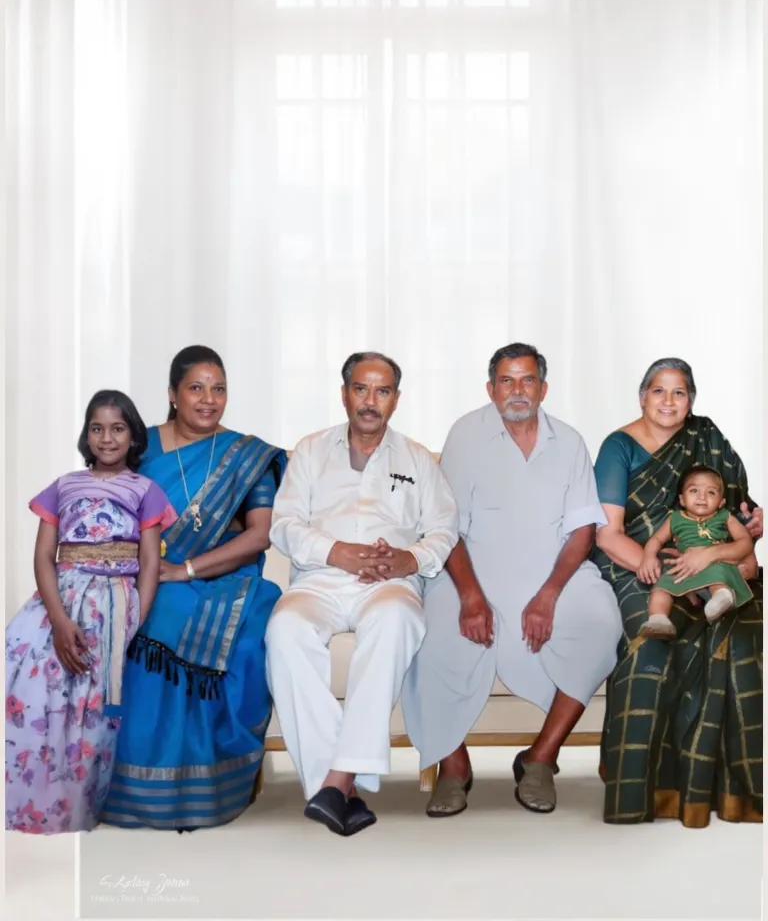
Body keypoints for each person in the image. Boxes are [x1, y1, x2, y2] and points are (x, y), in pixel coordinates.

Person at [402, 343, 622, 817]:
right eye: (507, 380)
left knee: (601, 621)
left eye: (527, 380)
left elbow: (583, 528)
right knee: (429, 630)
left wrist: (548, 594)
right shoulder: (466, 433)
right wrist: (471, 596)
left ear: (543, 388)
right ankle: (453, 765)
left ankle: (541, 759)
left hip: (550, 569)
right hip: (470, 568)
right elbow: (446, 527)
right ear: (490, 388)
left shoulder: (569, 440)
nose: (517, 391)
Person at [265, 352, 459, 837]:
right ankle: (340, 788)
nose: (370, 401)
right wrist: (336, 552)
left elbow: (444, 530)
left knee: (396, 620)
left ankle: (334, 781)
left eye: (382, 391)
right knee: (284, 629)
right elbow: (284, 525)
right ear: (344, 392)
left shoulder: (416, 458)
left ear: (396, 399)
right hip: (320, 579)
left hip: (390, 584)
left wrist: (408, 559)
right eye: (361, 389)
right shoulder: (310, 451)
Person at [102, 346, 287, 831]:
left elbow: (259, 535)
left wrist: (187, 569)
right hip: (146, 573)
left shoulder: (247, 455)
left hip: (226, 577)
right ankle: (131, 788)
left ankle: (204, 788)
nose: (209, 399)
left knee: (243, 638)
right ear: (172, 394)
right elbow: (108, 512)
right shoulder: (139, 449)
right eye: (196, 388)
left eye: (219, 388)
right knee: (148, 614)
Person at [592, 357, 763, 827]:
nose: (669, 401)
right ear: (642, 395)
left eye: (680, 392)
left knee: (743, 634)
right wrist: (658, 567)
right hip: (637, 568)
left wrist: (749, 528)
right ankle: (640, 788)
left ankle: (726, 791)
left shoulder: (707, 439)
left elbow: (737, 516)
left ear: (691, 399)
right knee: (653, 647)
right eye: (659, 391)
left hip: (710, 567)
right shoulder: (618, 447)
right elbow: (608, 534)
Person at [6, 391, 174, 834]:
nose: (107, 437)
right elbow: (44, 557)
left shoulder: (146, 490)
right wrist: (60, 622)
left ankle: (76, 804)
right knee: (36, 688)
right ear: (86, 434)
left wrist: (134, 616)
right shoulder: (64, 485)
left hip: (112, 606)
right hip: (58, 600)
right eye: (97, 428)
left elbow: (151, 562)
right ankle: (29, 801)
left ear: (133, 435)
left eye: (117, 428)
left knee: (92, 704)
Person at [637, 465, 754, 638]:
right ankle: (659, 620)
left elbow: (745, 542)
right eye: (694, 491)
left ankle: (720, 600)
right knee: (661, 587)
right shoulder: (675, 518)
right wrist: (648, 556)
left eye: (711, 493)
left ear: (721, 502)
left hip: (714, 561)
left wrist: (715, 554)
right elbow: (656, 540)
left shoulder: (725, 516)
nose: (702, 497)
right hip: (685, 566)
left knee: (718, 573)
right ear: (682, 499)